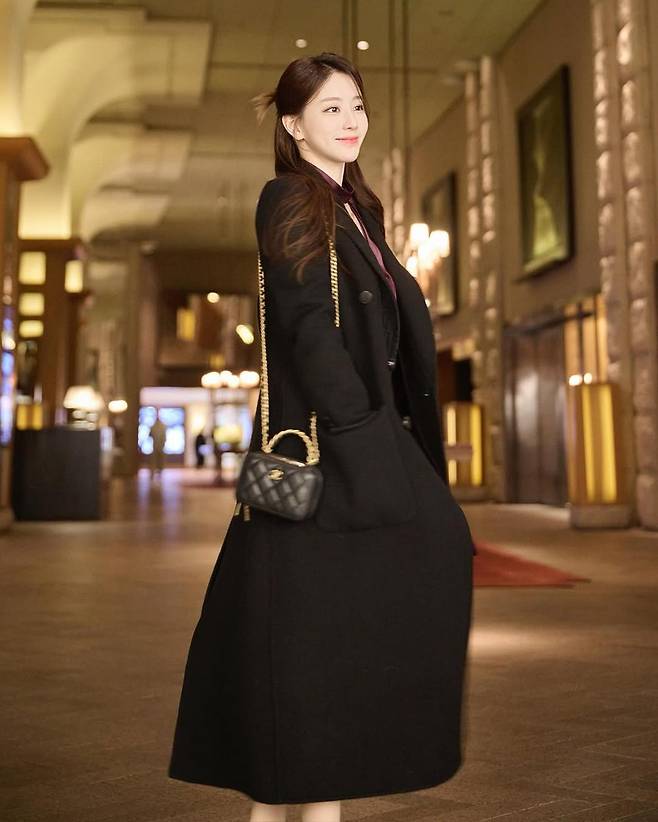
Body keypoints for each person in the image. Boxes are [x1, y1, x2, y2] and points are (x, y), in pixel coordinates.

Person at [168, 52, 474, 822]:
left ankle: (322, 799)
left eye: (357, 105)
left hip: (364, 444)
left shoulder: (356, 209)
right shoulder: (290, 197)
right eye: (331, 108)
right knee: (308, 653)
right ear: (295, 125)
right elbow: (307, 328)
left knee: (324, 653)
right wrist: (363, 433)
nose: (350, 120)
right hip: (328, 453)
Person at [148, 414, 167, 478]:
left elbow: (164, 437)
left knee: (159, 460)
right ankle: (153, 473)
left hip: (159, 446)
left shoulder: (162, 426)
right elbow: (150, 435)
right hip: (156, 446)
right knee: (154, 460)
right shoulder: (154, 426)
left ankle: (158, 472)